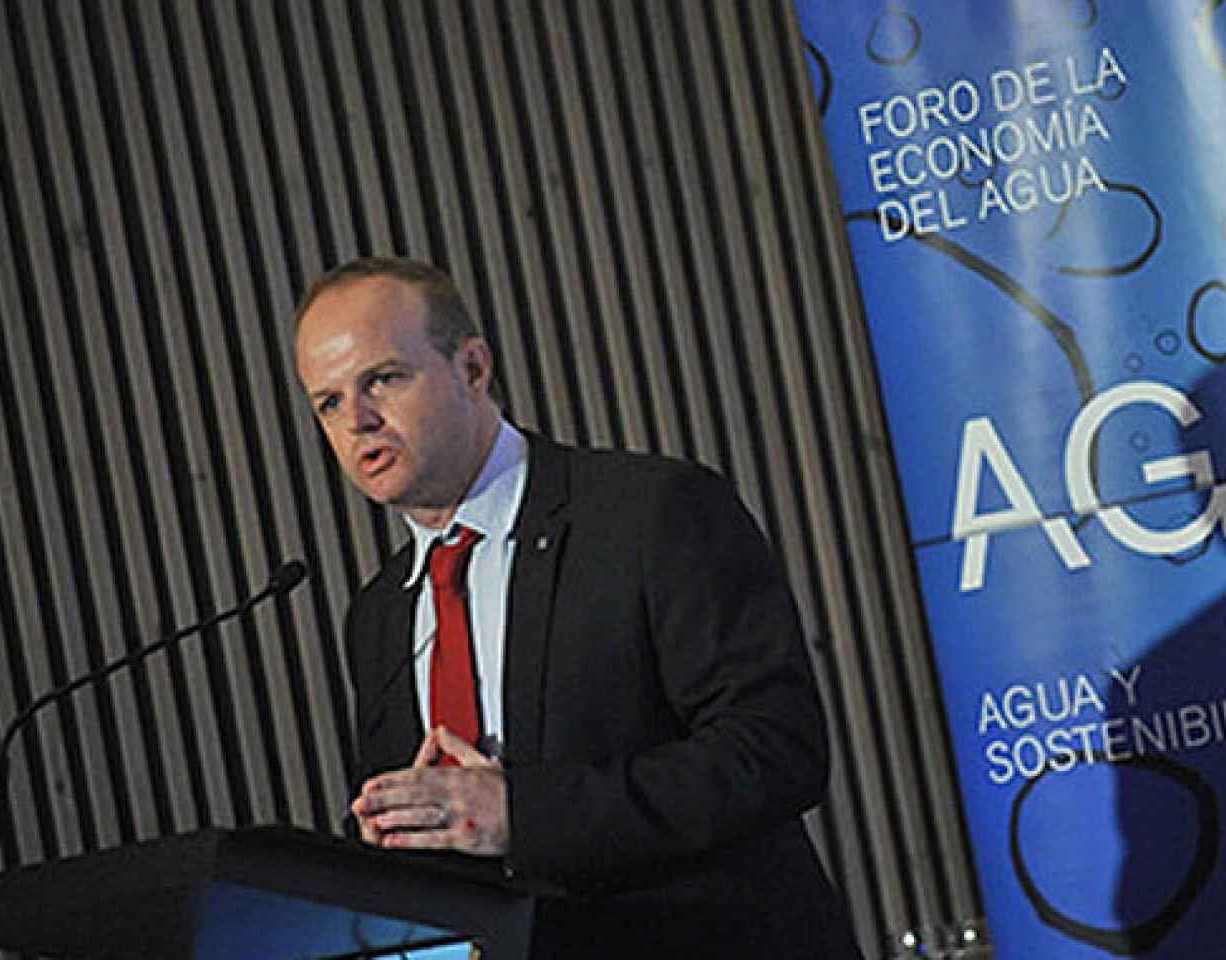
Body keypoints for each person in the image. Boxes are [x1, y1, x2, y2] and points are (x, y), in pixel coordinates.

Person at [292, 257, 861, 959]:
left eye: (383, 378)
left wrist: (521, 814)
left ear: (473, 367)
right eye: (329, 402)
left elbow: (777, 750)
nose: (358, 421)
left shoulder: (649, 514)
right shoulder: (378, 618)